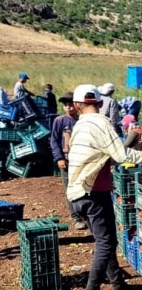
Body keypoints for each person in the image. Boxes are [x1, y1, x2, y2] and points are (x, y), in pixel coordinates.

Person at [66, 84, 142, 290]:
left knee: (106, 241)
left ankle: (119, 287)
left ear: (76, 105)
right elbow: (122, 155)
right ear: (101, 103)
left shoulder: (79, 126)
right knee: (106, 243)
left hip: (77, 194)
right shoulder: (101, 122)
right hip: (93, 193)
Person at [50, 92, 87, 231]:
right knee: (69, 189)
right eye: (65, 105)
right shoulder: (60, 121)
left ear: (77, 105)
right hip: (67, 160)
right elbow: (54, 140)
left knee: (84, 186)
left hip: (82, 160)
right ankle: (75, 217)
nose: (68, 107)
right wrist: (59, 157)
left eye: (71, 104)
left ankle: (85, 213)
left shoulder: (83, 120)